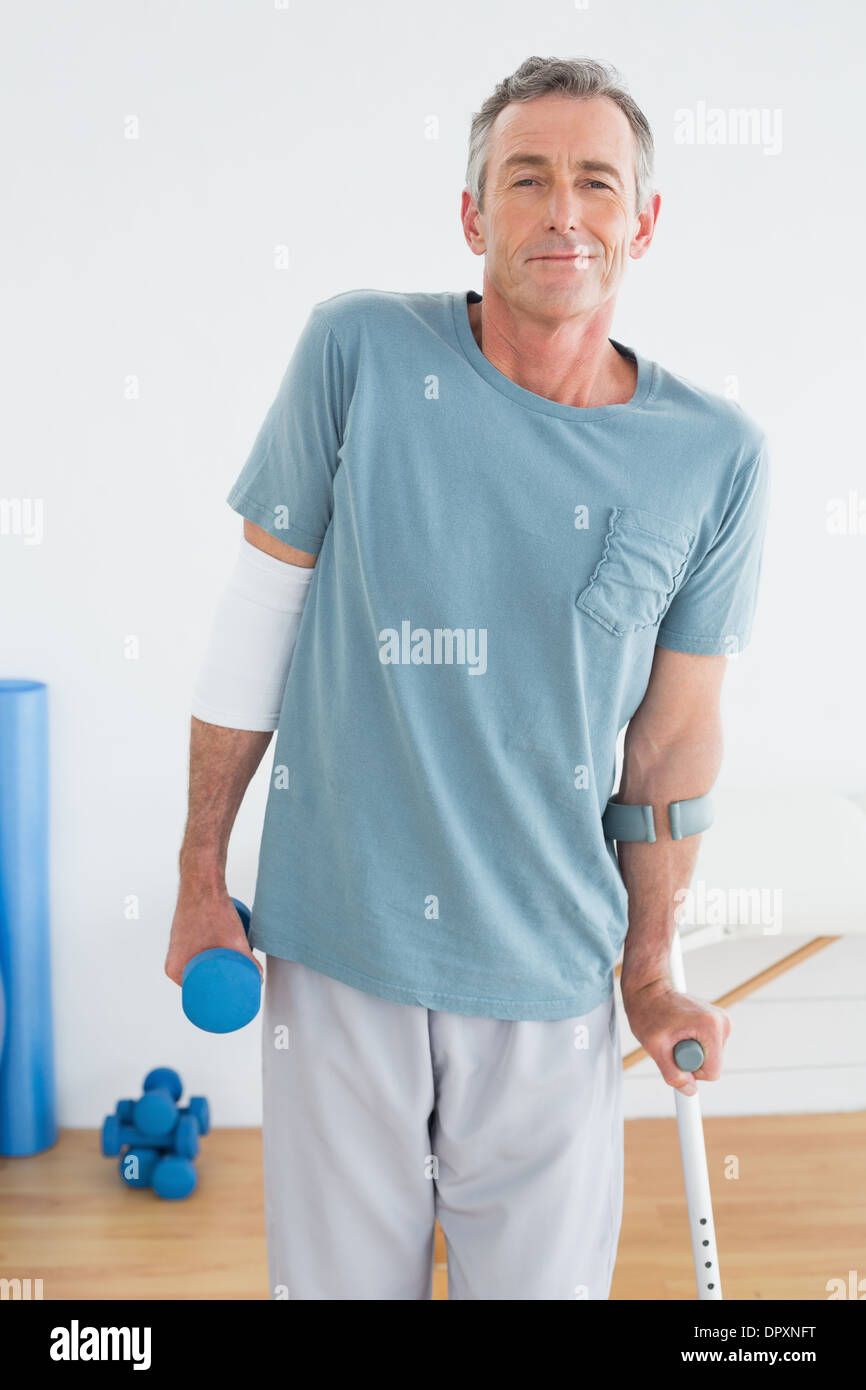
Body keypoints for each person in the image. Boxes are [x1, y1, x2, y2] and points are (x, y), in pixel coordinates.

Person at [165, 54, 769, 1300]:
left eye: (595, 182)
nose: (562, 210)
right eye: (525, 177)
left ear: (641, 222)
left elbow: (668, 749)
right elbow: (256, 621)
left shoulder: (714, 458)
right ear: (470, 213)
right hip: (339, 952)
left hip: (549, 978)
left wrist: (648, 972)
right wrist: (196, 875)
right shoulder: (360, 351)